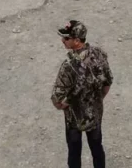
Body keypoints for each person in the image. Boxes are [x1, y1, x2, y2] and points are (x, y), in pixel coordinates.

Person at [52, 20, 113, 168]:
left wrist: (65, 104)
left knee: (74, 153)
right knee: (97, 149)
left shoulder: (68, 66)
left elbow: (57, 99)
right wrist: (97, 100)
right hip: (95, 114)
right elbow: (108, 82)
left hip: (74, 118)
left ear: (77, 41)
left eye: (66, 38)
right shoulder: (99, 54)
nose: (63, 40)